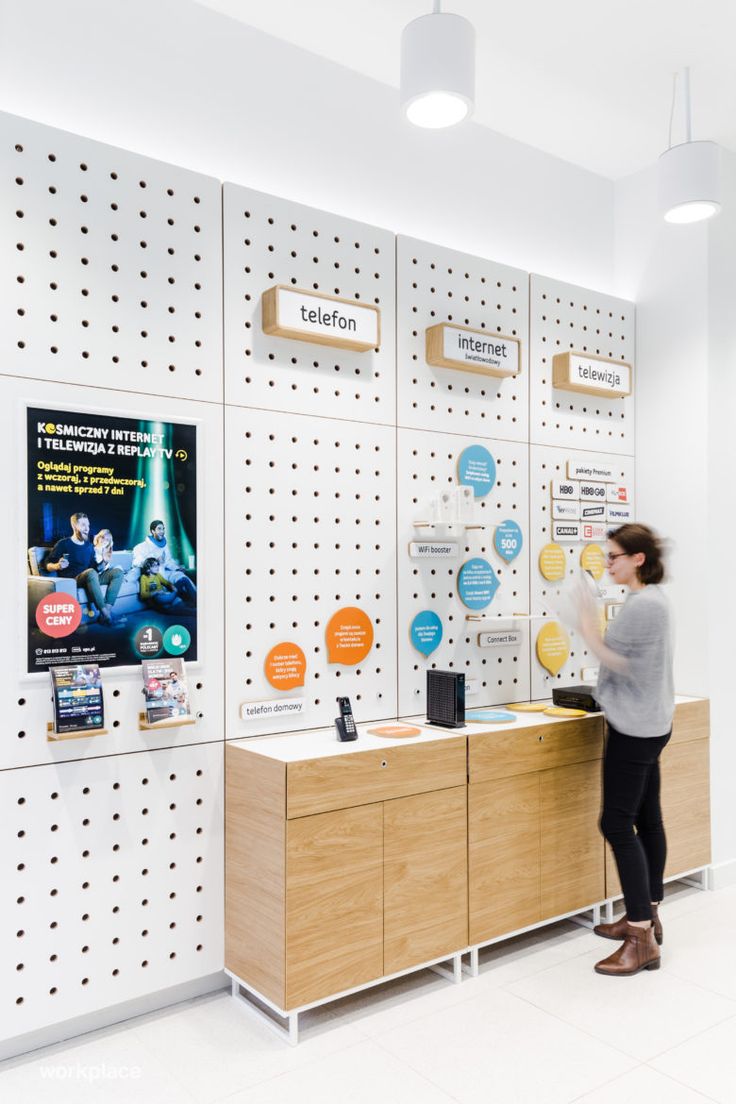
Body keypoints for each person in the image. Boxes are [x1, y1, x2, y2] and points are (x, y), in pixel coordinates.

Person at [576, 523, 674, 977]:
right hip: (651, 723)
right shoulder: (651, 601)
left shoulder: (644, 605)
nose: (607, 563)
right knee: (646, 818)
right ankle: (648, 915)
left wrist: (584, 619)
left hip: (634, 729)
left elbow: (610, 655)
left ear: (637, 559)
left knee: (615, 822)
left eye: (613, 556)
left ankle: (640, 936)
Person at [46, 513, 125, 625]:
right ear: (74, 526)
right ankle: (107, 616)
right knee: (91, 573)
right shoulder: (63, 544)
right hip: (74, 579)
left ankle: (106, 612)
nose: (87, 529)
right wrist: (57, 566)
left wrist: (105, 561)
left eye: (88, 525)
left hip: (90, 577)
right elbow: (47, 564)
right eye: (83, 525)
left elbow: (95, 568)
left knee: (118, 573)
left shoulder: (88, 546)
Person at [131, 520, 196, 606]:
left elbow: (168, 561)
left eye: (163, 529)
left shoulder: (164, 546)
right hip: (156, 574)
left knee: (182, 578)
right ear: (152, 531)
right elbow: (136, 562)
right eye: (159, 529)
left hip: (165, 572)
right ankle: (180, 600)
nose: (162, 531)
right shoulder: (140, 547)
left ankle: (196, 603)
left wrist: (177, 568)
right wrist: (154, 560)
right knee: (170, 589)